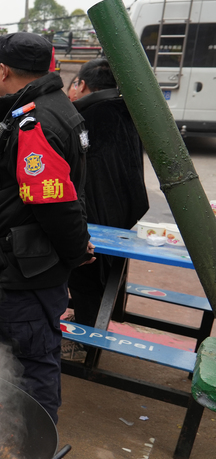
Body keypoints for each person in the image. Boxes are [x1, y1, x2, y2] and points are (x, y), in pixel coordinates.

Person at [0, 32, 92, 423]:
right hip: (25, 263)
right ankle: (1, 433)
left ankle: (33, 454)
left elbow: (55, 202)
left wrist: (75, 252)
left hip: (28, 269)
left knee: (30, 363)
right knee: (12, 358)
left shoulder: (34, 121)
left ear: (3, 69)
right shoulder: (52, 106)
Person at [66, 58, 148, 328]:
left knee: (87, 269)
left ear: (82, 84)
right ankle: (94, 317)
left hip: (95, 211)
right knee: (110, 267)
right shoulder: (126, 110)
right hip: (126, 205)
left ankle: (87, 340)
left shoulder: (87, 115)